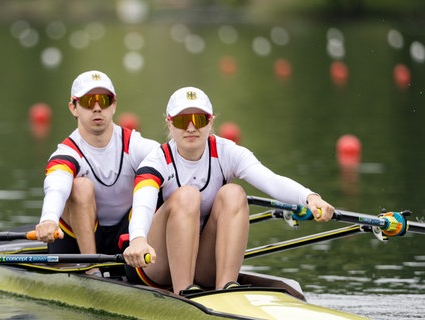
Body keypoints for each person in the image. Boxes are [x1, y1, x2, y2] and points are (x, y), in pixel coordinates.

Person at [123, 86, 335, 295]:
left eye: (199, 120)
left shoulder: (227, 152)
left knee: (234, 193)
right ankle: (183, 291)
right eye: (181, 121)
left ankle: (226, 288)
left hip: (203, 264)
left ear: (211, 121)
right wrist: (138, 239)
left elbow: (271, 181)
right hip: (156, 263)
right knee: (187, 195)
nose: (190, 128)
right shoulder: (157, 160)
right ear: (169, 123)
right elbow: (143, 203)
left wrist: (309, 197)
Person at [35, 70, 159, 276]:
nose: (97, 108)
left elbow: (172, 162)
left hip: (125, 237)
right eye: (88, 101)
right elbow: (56, 186)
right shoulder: (67, 152)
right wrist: (48, 219)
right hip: (74, 243)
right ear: (73, 108)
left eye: (104, 100)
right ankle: (92, 271)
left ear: (114, 105)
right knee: (80, 186)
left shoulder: (135, 145)